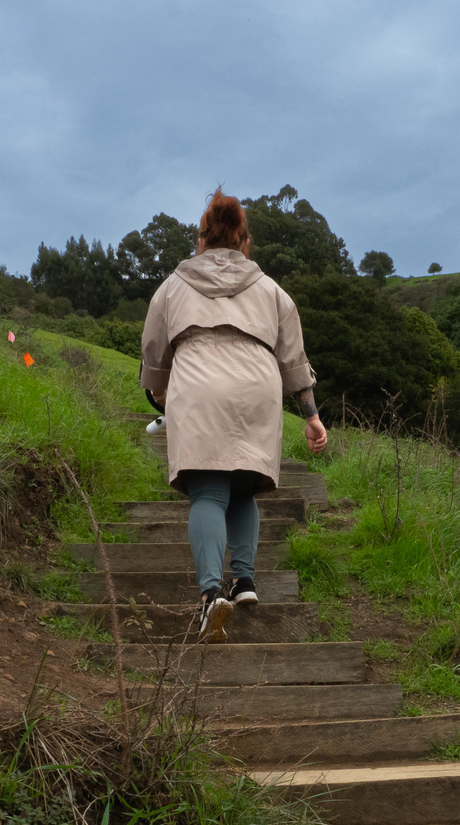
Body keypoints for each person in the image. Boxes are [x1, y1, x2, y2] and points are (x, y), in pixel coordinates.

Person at [140, 189, 328, 642]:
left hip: (199, 386)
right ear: (245, 242)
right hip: (256, 391)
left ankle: (210, 596)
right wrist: (311, 416)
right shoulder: (271, 291)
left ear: (201, 241)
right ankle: (244, 580)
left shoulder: (173, 286)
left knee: (208, 491)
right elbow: (294, 358)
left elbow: (153, 351)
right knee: (243, 488)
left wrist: (161, 394)